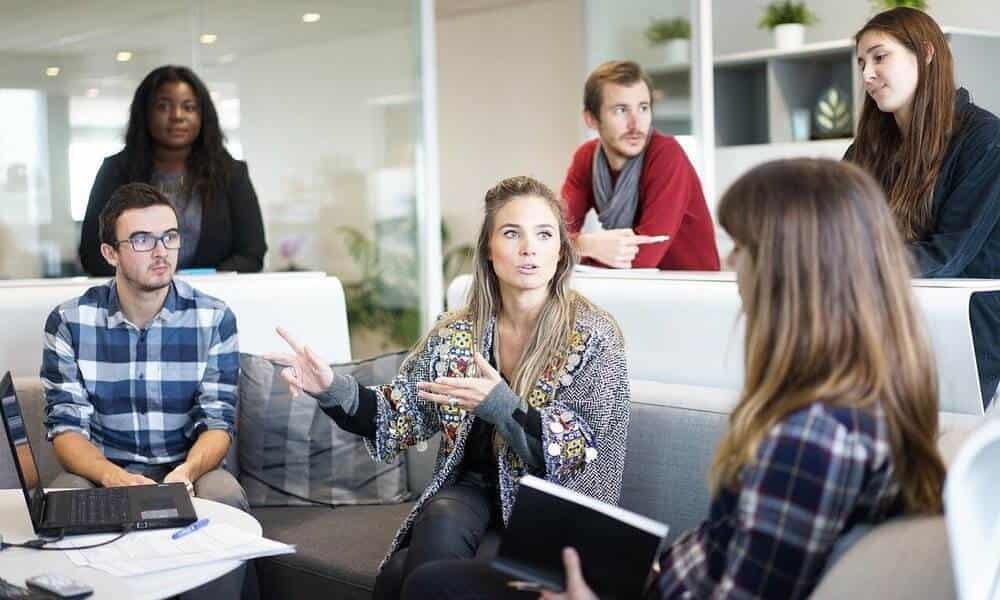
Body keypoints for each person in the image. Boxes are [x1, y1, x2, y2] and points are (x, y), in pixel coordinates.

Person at [402, 159, 946, 600]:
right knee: (426, 572)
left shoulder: (812, 437)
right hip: (660, 577)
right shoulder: (858, 403)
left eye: (743, 246)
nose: (731, 264)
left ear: (791, 270)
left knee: (433, 585)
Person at [269, 176, 631, 600]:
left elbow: (578, 451)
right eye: (512, 233)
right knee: (439, 517)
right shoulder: (457, 332)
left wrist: (499, 405)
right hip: (474, 489)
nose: (529, 248)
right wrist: (330, 388)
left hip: (554, 506)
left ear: (560, 252)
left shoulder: (593, 335)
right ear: (489, 252)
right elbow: (397, 414)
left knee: (400, 575)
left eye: (544, 234)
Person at [42, 183, 247, 512]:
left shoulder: (214, 318)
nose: (161, 251)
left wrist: (186, 473)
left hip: (188, 469)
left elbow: (218, 422)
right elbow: (66, 428)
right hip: (103, 470)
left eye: (170, 236)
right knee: (62, 498)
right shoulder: (69, 322)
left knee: (225, 496)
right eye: (141, 240)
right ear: (111, 253)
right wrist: (114, 477)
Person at [846, 7, 1000, 407]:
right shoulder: (866, 149)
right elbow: (834, 230)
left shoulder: (985, 139)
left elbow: (947, 256)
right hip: (887, 315)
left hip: (967, 329)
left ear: (926, 53)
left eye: (880, 57)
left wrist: (847, 266)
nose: (867, 75)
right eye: (862, 62)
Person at [79, 65, 266, 276]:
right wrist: (150, 281)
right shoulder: (116, 171)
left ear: (203, 116)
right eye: (163, 106)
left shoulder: (231, 173)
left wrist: (201, 285)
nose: (177, 116)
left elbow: (252, 253)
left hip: (212, 300)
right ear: (145, 113)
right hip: (134, 301)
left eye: (189, 107)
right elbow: (93, 255)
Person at [560, 60, 719, 271]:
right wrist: (586, 244)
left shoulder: (666, 154)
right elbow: (550, 238)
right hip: (634, 289)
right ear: (591, 119)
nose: (636, 124)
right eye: (620, 110)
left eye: (643, 108)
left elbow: (643, 258)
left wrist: (576, 249)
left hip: (692, 291)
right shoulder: (586, 158)